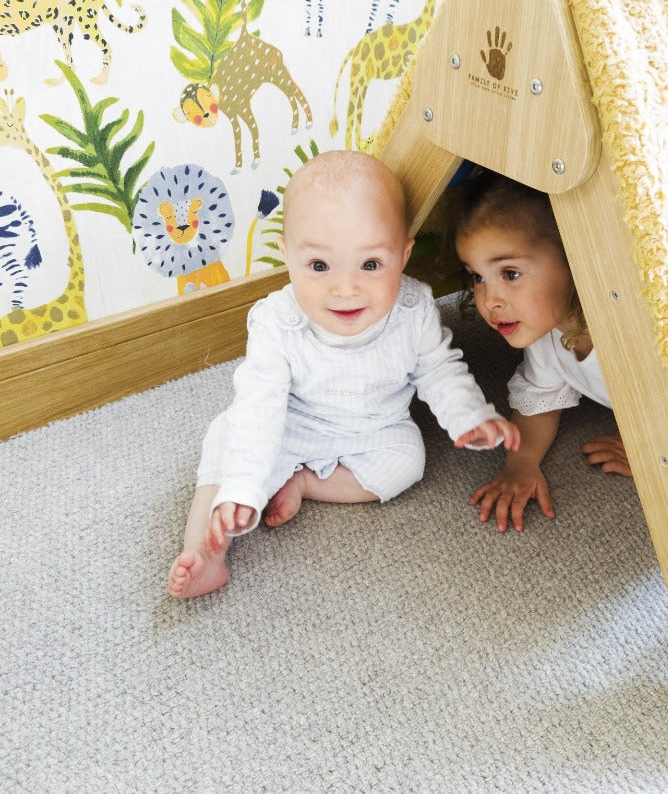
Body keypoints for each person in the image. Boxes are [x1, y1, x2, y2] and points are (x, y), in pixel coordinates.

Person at [168, 150, 520, 598]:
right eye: (319, 267)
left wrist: (471, 417)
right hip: (290, 424)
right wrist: (242, 488)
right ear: (288, 257)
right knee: (227, 437)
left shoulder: (413, 310)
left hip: (375, 427)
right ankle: (207, 553)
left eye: (371, 265)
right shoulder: (277, 321)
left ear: (404, 255)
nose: (345, 289)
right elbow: (259, 409)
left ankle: (306, 482)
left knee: (408, 462)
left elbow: (440, 370)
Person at [452, 170, 632, 534]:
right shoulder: (547, 336)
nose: (489, 300)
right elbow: (539, 400)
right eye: (477, 277)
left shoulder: (628, 327)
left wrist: (653, 447)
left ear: (573, 259)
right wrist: (521, 464)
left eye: (511, 273)